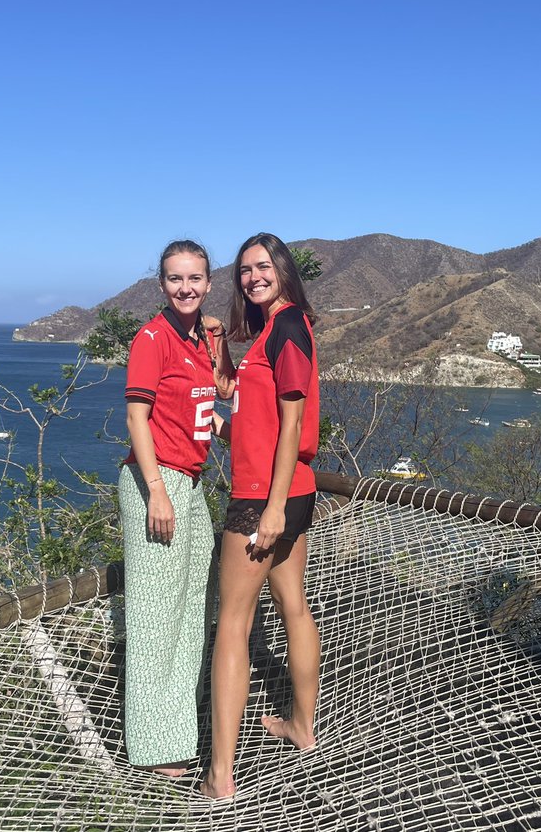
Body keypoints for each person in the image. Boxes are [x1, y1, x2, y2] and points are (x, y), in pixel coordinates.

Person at [201, 233, 321, 800]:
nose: (252, 277)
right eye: (245, 270)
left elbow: (294, 426)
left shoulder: (290, 327)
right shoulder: (274, 330)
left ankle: (219, 775)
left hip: (264, 498)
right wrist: (223, 350)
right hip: (292, 493)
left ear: (283, 271)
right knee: (293, 606)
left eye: (263, 266)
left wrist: (269, 509)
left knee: (233, 625)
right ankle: (301, 727)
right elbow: (253, 409)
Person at [120, 240, 234, 777]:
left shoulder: (198, 341)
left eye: (194, 278)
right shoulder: (153, 338)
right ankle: (157, 747)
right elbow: (136, 418)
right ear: (161, 283)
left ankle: (178, 732)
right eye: (174, 279)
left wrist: (218, 341)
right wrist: (156, 491)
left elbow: (220, 391)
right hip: (158, 481)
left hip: (189, 482)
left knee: (193, 607)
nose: (185, 287)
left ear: (209, 282)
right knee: (154, 614)